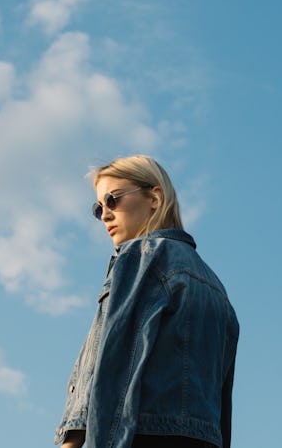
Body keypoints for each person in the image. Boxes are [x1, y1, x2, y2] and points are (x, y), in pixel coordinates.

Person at [54, 155, 239, 448]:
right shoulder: (217, 290)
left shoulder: (141, 258)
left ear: (155, 197)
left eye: (113, 200)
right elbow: (222, 407)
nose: (105, 215)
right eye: (98, 207)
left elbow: (111, 374)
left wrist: (74, 441)